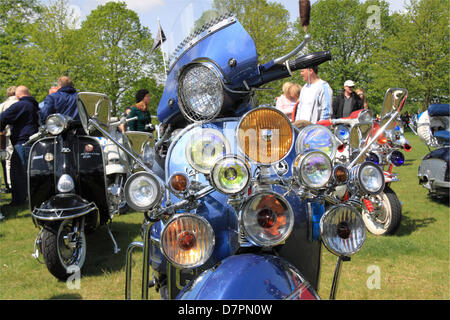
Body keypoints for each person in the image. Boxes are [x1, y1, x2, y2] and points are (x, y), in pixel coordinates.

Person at [0, 86, 39, 207]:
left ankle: (19, 200)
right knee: (29, 171)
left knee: (17, 172)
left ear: (18, 95)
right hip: (33, 141)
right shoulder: (35, 105)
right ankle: (32, 198)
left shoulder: (20, 105)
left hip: (21, 141)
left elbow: (2, 118)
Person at [0, 86, 18, 193]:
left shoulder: (3, 105)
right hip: (19, 133)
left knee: (8, 159)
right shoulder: (22, 103)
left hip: (6, 134)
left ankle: (10, 183)